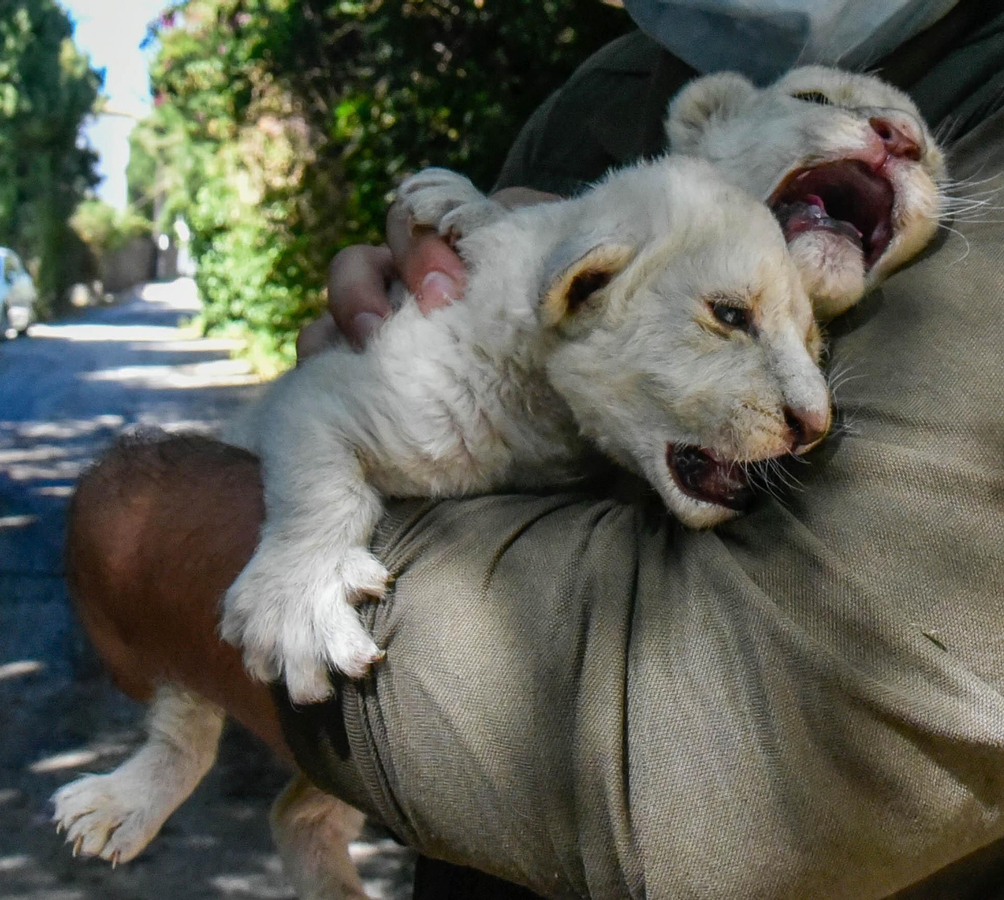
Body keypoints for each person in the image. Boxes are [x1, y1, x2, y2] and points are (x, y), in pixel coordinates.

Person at [64, 0, 1004, 896]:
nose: (892, 138)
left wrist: (148, 531)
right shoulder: (616, 87)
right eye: (815, 101)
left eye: (925, 149)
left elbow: (702, 785)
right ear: (705, 130)